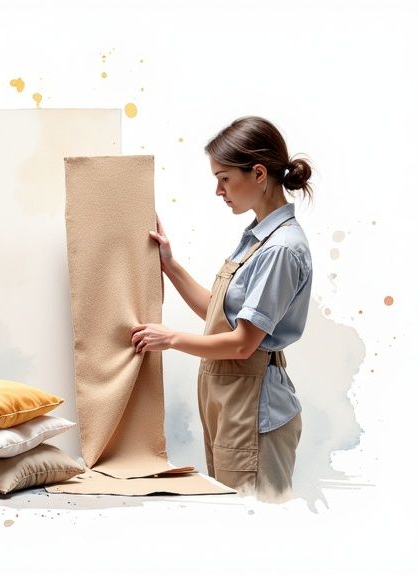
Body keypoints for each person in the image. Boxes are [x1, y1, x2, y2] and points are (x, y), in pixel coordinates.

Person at [130, 116, 314, 501]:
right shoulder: (255, 238)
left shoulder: (279, 249)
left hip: (255, 411)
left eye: (224, 178)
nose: (218, 190)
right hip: (232, 404)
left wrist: (171, 339)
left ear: (259, 173)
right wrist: (170, 265)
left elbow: (243, 344)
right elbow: (220, 317)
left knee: (257, 534)